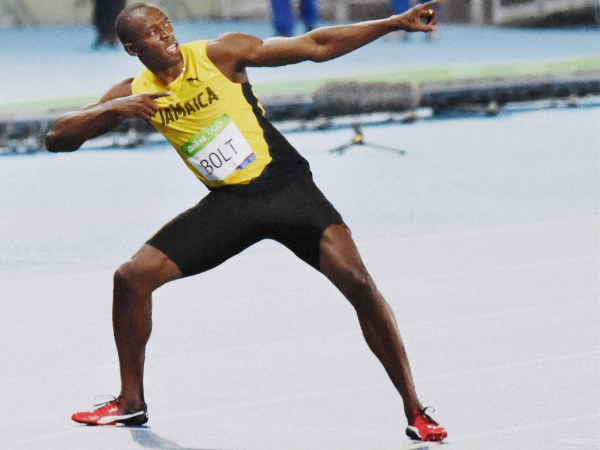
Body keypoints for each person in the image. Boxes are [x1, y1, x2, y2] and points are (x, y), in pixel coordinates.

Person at [45, 0, 447, 443]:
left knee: (359, 283)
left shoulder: (219, 54)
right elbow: (57, 138)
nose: (169, 37)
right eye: (155, 35)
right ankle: (130, 403)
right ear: (131, 48)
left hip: (287, 189)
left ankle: (415, 409)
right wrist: (115, 110)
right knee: (131, 278)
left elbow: (315, 44)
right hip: (231, 205)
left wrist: (393, 23)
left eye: (168, 26)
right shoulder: (133, 91)